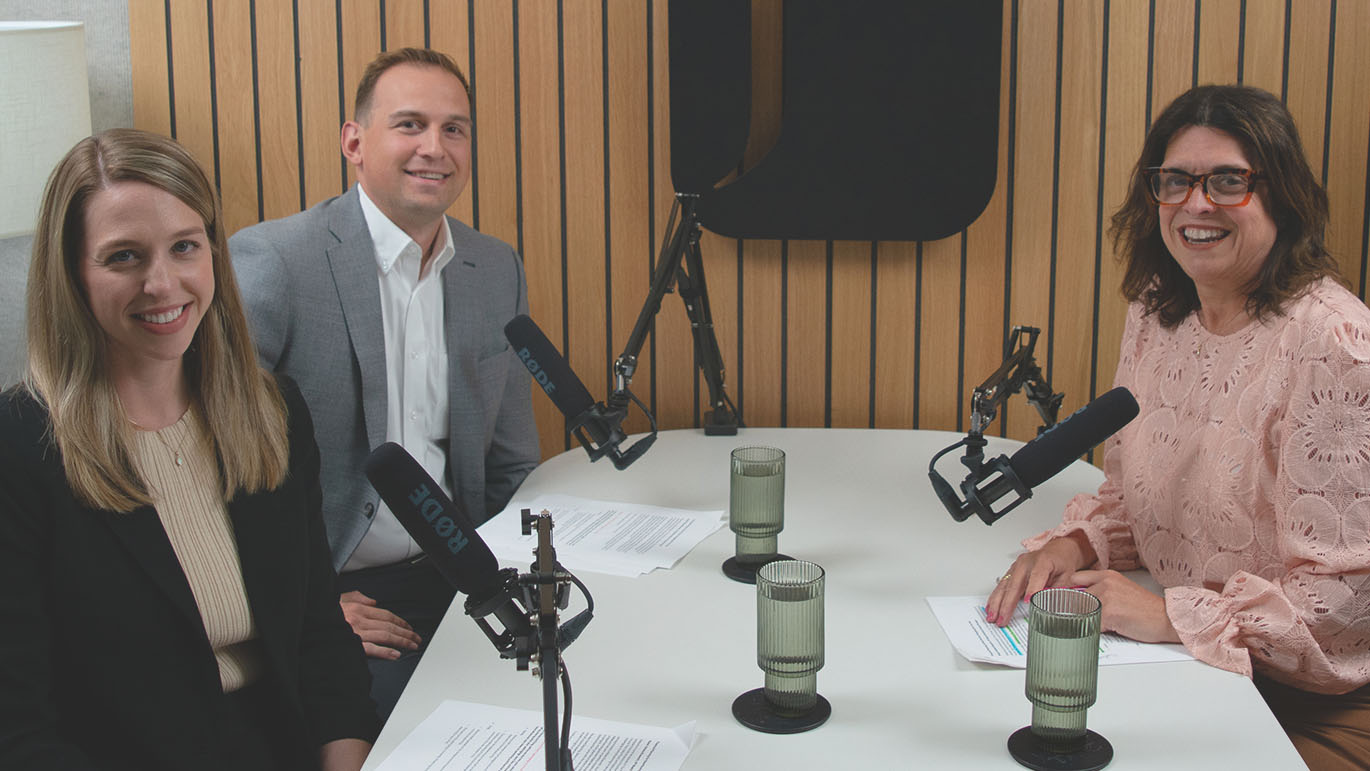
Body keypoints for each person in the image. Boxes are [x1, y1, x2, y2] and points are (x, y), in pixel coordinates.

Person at [985, 84, 1370, 769]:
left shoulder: (1335, 341)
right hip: (1187, 667)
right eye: (1176, 181)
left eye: (1228, 180)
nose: (1196, 203)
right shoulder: (1159, 313)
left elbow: (1344, 604)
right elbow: (1136, 502)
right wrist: (1075, 543)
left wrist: (1170, 617)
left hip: (1306, 702)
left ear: (1280, 192)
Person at [0, 129, 378, 770]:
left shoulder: (272, 412)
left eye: (184, 247)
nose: (162, 283)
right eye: (123, 257)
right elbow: (20, 732)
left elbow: (320, 643)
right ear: (71, 275)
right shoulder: (19, 450)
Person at [230, 47, 540, 719]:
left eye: (454, 128)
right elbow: (211, 467)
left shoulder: (495, 267)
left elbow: (514, 461)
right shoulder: (274, 262)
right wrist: (307, 604)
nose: (436, 147)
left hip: (465, 576)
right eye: (409, 124)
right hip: (340, 590)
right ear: (354, 142)